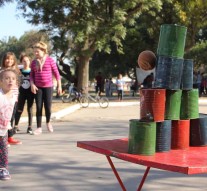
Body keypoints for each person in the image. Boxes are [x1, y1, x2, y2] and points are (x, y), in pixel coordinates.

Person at [30, 41, 62, 135]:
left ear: (43, 51)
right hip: (38, 87)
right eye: (34, 52)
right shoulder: (33, 62)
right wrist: (32, 84)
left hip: (48, 87)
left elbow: (57, 74)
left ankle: (48, 122)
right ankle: (39, 127)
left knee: (48, 107)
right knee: (39, 107)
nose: (35, 53)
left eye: (37, 51)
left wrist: (59, 86)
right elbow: (31, 75)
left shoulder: (50, 60)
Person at [0, 69, 18, 180]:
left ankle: (3, 168)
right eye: (6, 78)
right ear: (1, 81)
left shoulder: (14, 94)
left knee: (4, 149)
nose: (10, 81)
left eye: (13, 79)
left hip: (3, 127)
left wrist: (8, 124)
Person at [1, 52, 22, 145]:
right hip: (3, 98)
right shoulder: (1, 71)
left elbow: (17, 85)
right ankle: (3, 138)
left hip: (13, 97)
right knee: (3, 117)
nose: (9, 61)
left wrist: (16, 97)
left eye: (12, 59)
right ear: (4, 60)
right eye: (7, 59)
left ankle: (9, 137)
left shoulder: (16, 71)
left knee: (11, 117)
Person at [14, 54, 35, 134]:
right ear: (21, 62)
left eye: (27, 61)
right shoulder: (19, 71)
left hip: (30, 93)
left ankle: (29, 127)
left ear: (30, 61)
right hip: (21, 92)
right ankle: (15, 126)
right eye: (24, 61)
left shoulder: (32, 71)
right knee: (19, 109)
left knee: (30, 109)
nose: (26, 62)